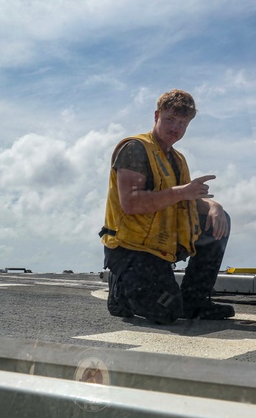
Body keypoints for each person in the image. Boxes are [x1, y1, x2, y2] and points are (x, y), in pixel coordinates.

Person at [100, 89, 235, 323]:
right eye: (170, 119)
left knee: (219, 218)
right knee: (167, 312)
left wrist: (215, 206)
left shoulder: (177, 159)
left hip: (160, 248)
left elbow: (187, 201)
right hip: (130, 249)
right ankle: (120, 291)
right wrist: (182, 191)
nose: (175, 128)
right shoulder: (134, 149)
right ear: (156, 116)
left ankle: (196, 300)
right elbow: (131, 203)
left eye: (182, 123)